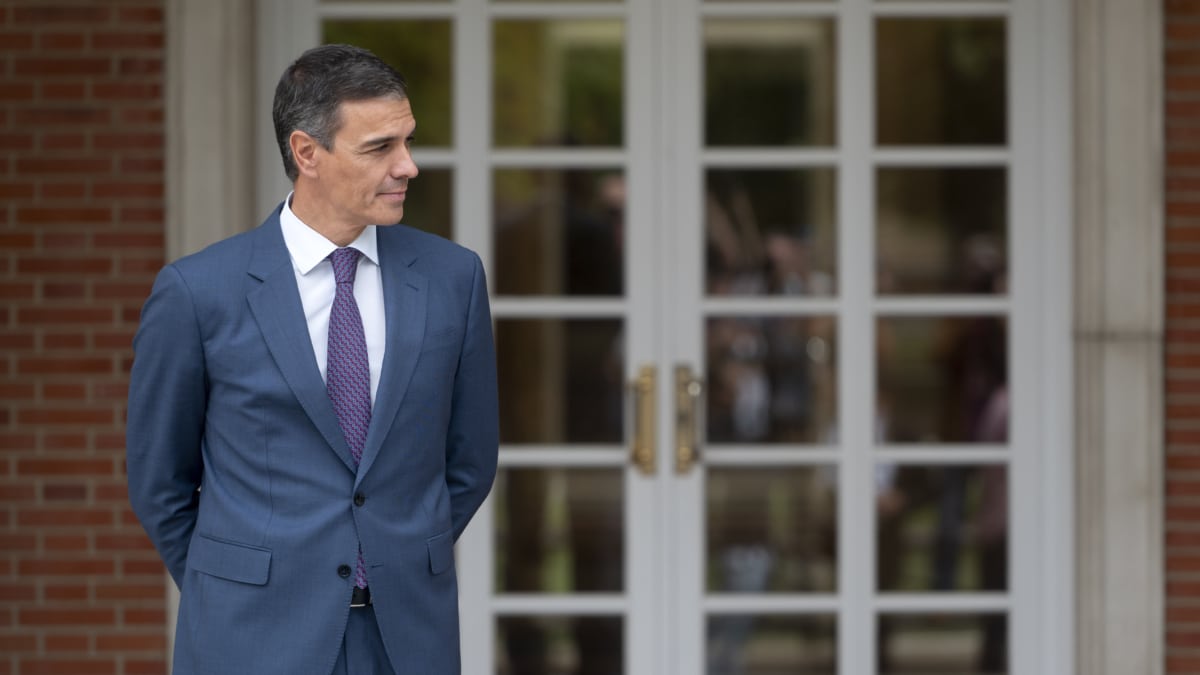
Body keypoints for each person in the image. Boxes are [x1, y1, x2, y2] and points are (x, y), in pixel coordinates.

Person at [125, 44, 499, 675]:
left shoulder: (452, 279)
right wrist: (237, 587)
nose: (407, 165)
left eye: (406, 141)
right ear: (307, 153)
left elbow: (470, 459)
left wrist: (395, 554)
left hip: (405, 635)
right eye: (379, 147)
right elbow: (158, 480)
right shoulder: (198, 291)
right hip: (247, 639)